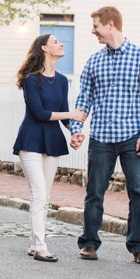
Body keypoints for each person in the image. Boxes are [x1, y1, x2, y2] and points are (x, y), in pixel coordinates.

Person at [70, 6, 140, 264]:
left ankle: (139, 246)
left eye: (96, 26)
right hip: (101, 138)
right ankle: (89, 243)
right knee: (94, 192)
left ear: (110, 24)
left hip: (133, 137)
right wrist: (76, 129)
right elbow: (83, 100)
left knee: (139, 192)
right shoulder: (94, 61)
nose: (93, 31)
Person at [12, 34, 86, 262]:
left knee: (45, 196)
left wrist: (73, 132)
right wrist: (73, 114)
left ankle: (34, 244)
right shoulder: (31, 79)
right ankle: (42, 247)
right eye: (55, 42)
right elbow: (40, 113)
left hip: (53, 141)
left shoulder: (63, 81)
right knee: (39, 195)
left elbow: (62, 113)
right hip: (31, 139)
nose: (61, 44)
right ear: (44, 48)